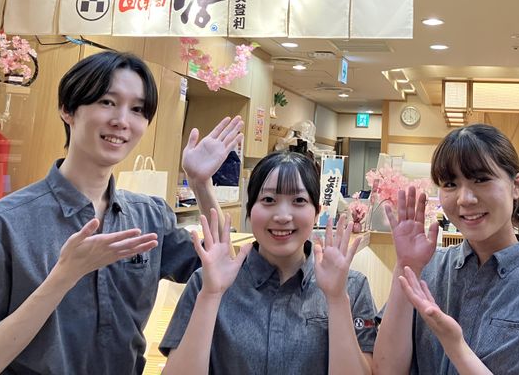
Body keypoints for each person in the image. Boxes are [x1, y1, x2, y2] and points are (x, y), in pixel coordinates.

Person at [0, 50, 244, 374]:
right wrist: (64, 276)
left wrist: (200, 183)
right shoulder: (0, 225)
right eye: (107, 102)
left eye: (137, 109)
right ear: (68, 109)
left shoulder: (149, 216)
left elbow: (222, 271)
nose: (122, 120)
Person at [374, 123, 519, 374]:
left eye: (481, 179)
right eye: (450, 184)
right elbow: (386, 370)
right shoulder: (428, 270)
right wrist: (405, 266)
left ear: (516, 185)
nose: (465, 198)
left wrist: (456, 347)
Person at [160, 151, 377, 375]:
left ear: (317, 213)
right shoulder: (206, 282)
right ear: (250, 210)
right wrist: (210, 296)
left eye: (299, 201)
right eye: (268, 200)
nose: (283, 216)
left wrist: (336, 299)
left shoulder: (352, 286)